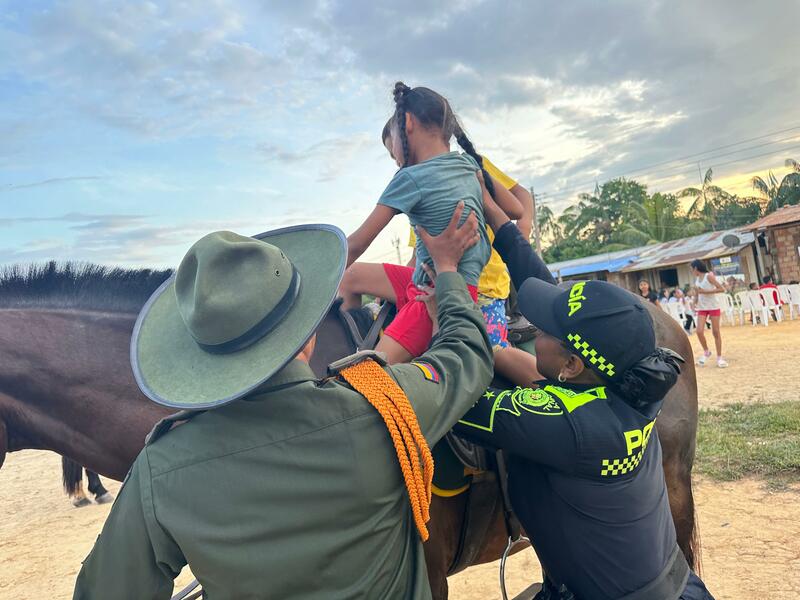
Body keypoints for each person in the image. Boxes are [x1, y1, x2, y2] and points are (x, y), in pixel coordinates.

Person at [73, 212, 494, 599]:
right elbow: (467, 355)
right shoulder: (382, 406)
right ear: (306, 333)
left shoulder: (159, 470)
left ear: (201, 359)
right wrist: (448, 272)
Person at [426, 190, 714, 600]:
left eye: (540, 330)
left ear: (571, 366)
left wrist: (448, 300)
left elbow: (449, 396)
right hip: (674, 586)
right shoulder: (636, 383)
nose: (531, 330)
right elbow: (546, 291)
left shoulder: (559, 424)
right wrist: (493, 210)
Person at [342, 82, 493, 365]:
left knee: (368, 376)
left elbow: (355, 244)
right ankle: (353, 340)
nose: (395, 159)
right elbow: (516, 209)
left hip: (435, 293)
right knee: (350, 276)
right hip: (435, 278)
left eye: (392, 151)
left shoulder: (409, 178)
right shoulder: (468, 165)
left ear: (408, 122)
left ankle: (360, 356)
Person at [690, 259, 727, 367]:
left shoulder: (709, 276)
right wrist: (694, 302)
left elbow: (721, 289)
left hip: (713, 306)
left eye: (692, 269)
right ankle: (706, 351)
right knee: (699, 331)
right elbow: (698, 293)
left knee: (716, 332)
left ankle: (719, 358)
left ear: (696, 268)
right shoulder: (697, 279)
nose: (692, 271)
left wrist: (706, 292)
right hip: (702, 308)